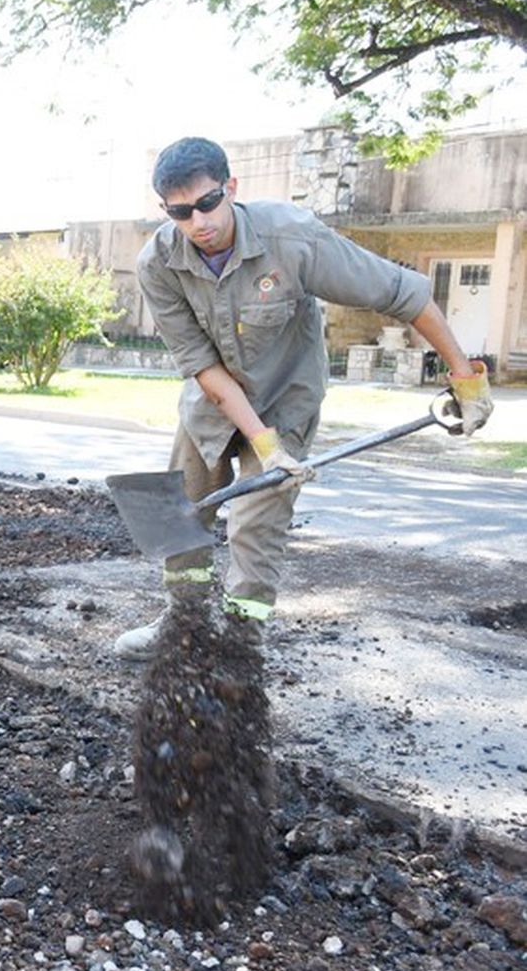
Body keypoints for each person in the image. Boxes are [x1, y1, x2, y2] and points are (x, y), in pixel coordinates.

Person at [114, 136, 493, 660]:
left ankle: (241, 641)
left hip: (285, 399)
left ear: (230, 188)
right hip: (212, 405)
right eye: (181, 212)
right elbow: (201, 365)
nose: (198, 222)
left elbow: (404, 293)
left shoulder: (291, 238)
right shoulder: (158, 262)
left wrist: (464, 376)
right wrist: (260, 442)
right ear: (165, 210)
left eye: (207, 203)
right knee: (180, 515)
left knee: (255, 525)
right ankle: (182, 624)